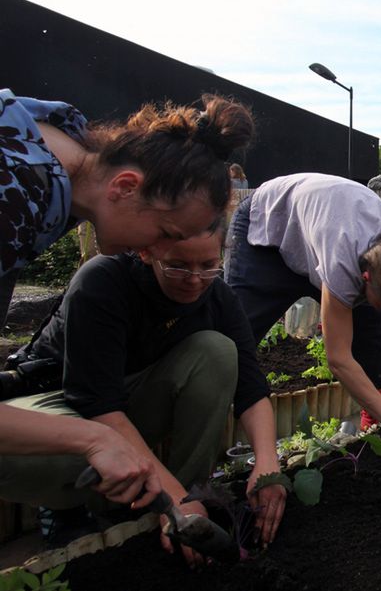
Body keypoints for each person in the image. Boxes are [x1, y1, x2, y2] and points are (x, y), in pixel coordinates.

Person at [0, 89, 253, 507]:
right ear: (125, 186)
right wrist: (94, 439)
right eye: (166, 234)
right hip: (54, 392)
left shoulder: (56, 156)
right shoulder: (14, 195)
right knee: (84, 457)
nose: (155, 248)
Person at [7, 225, 284, 559]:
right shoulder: (103, 281)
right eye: (178, 265)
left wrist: (267, 467)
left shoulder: (218, 297)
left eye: (208, 265)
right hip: (63, 404)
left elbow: (252, 389)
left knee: (218, 351)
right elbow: (100, 406)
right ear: (146, 251)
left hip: (122, 410)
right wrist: (175, 501)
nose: (195, 279)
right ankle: (66, 505)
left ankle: (187, 496)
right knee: (49, 460)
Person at [226, 173, 381, 445]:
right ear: (368, 278)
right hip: (268, 229)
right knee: (234, 338)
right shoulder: (342, 265)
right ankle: (218, 438)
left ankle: (374, 429)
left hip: (328, 226)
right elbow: (337, 358)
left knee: (370, 332)